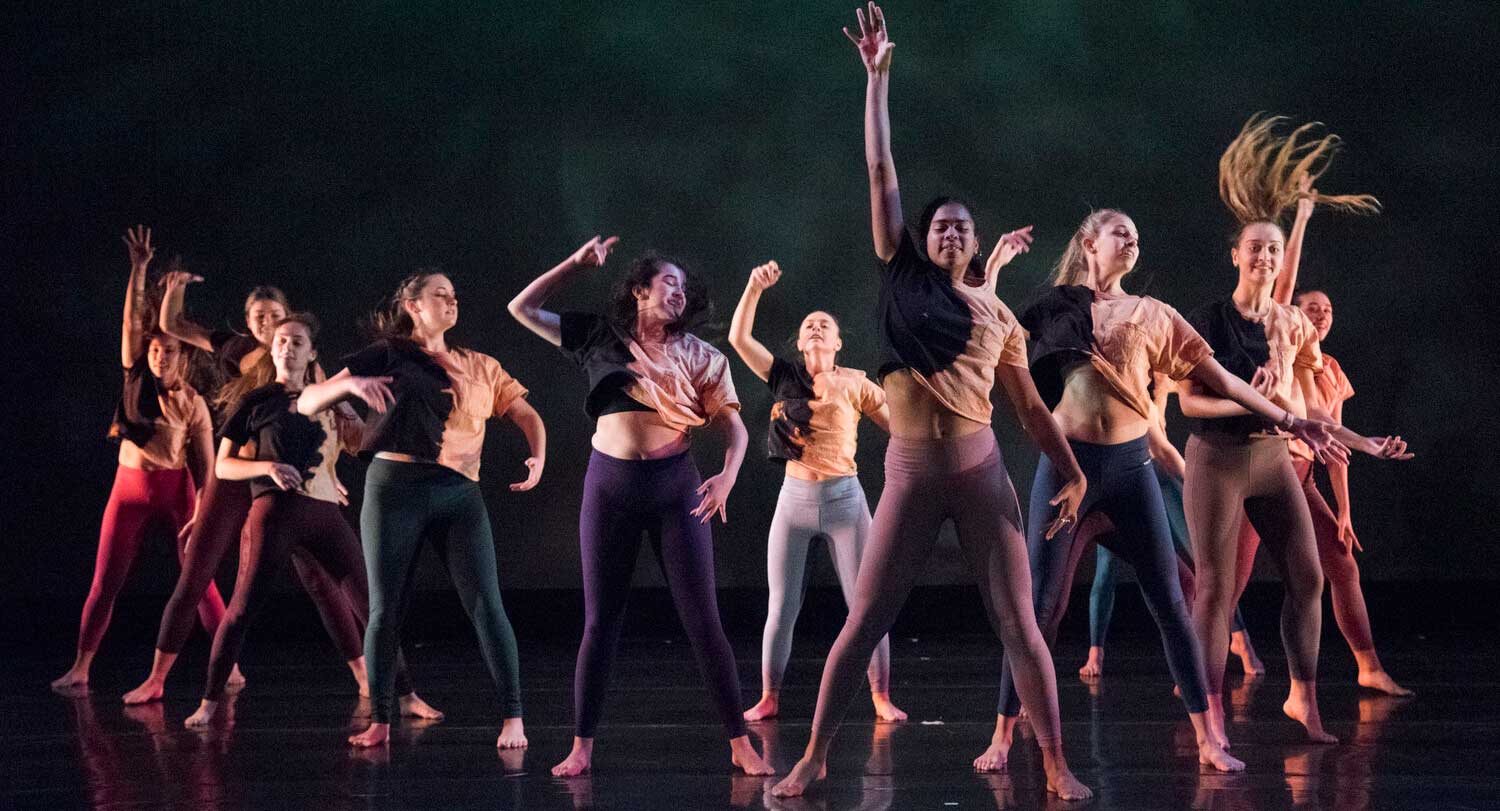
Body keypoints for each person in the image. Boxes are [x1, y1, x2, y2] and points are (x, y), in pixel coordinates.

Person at [774, 5, 1092, 798]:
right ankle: (812, 756)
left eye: (962, 228)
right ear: (923, 240)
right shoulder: (902, 274)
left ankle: (1054, 762)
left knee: (1020, 622)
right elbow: (882, 174)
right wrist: (878, 80)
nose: (950, 233)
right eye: (940, 226)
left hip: (982, 472)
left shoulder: (999, 316)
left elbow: (1030, 411)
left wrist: (1073, 471)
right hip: (912, 476)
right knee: (863, 622)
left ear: (978, 245)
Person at [509, 236, 774, 776]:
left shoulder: (702, 356)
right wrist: (574, 264)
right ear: (638, 291)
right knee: (600, 623)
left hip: (675, 488)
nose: (678, 293)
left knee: (704, 621)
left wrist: (726, 476)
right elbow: (522, 309)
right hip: (610, 487)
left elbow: (737, 430)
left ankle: (740, 742)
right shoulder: (600, 339)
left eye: (683, 287)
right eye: (666, 283)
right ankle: (582, 746)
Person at [1180, 114, 1401, 743]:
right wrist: (1254, 404)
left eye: (1272, 250)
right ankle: (1211, 720)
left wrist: (1364, 443)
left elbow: (1317, 411)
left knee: (1307, 576)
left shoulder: (1284, 321)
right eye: (1255, 247)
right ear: (1235, 256)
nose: (1264, 257)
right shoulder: (1210, 321)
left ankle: (1303, 697)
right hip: (1217, 460)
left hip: (1274, 460)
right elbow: (1192, 407)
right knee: (1217, 592)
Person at [310, 270, 545, 749]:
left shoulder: (480, 365)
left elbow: (525, 413)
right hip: (395, 489)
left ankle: (513, 718)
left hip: (460, 495)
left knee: (487, 606)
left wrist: (538, 453)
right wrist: (349, 389)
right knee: (385, 610)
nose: (451, 301)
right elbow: (311, 398)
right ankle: (379, 719)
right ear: (413, 306)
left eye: (455, 295)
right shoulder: (389, 354)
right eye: (440, 295)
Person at [182, 314, 439, 726]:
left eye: (298, 342)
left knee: (373, 607)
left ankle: (406, 694)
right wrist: (265, 468)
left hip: (324, 515)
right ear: (272, 349)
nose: (288, 347)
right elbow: (225, 466)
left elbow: (355, 445)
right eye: (281, 340)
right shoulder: (257, 400)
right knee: (242, 609)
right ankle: (209, 703)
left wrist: (359, 418)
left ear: (312, 353)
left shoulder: (328, 398)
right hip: (275, 514)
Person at [726, 259, 905, 724]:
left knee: (865, 606)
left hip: (845, 502)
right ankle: (769, 694)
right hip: (794, 503)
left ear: (839, 342)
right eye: (809, 326)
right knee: (782, 606)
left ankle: (881, 695)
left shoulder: (854, 382)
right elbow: (739, 339)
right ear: (801, 342)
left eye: (826, 325)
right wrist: (753, 287)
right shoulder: (784, 376)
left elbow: (901, 430)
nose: (817, 329)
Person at [53, 226, 226, 692]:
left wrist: (202, 517)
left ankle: (229, 666)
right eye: (153, 350)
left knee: (199, 580)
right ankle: (82, 667)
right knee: (104, 582)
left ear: (182, 356)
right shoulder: (136, 378)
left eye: (168, 351)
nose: (158, 358)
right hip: (129, 488)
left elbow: (208, 472)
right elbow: (132, 324)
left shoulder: (193, 403)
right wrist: (139, 268)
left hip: (177, 492)